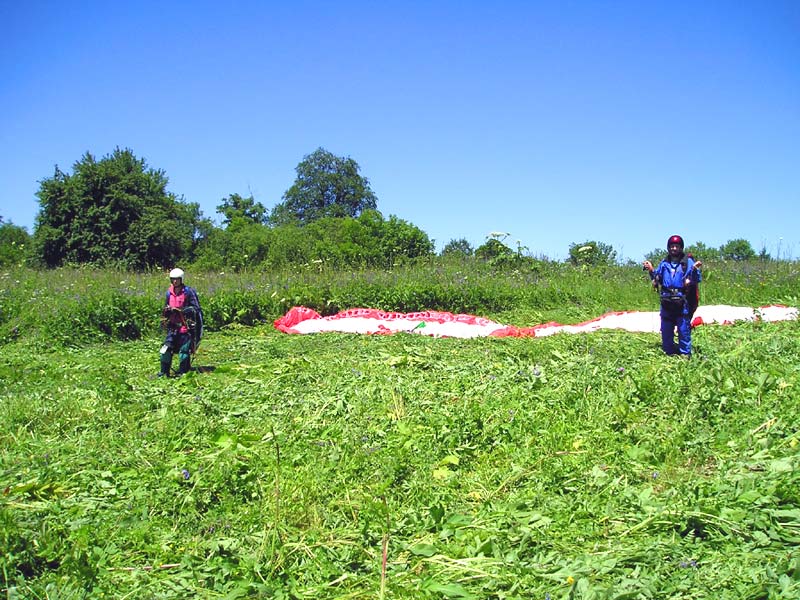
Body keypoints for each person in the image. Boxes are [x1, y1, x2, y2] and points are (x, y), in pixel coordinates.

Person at [643, 235, 702, 356]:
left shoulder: (687, 262)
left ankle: (685, 356)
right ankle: (669, 353)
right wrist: (651, 270)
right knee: (666, 330)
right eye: (672, 246)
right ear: (668, 248)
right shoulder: (665, 263)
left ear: (681, 248)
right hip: (666, 301)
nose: (674, 249)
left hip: (681, 301)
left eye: (677, 246)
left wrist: (695, 270)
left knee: (683, 330)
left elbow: (696, 279)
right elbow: (657, 278)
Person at [159, 268, 203, 377]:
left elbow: (196, 309)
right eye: (172, 279)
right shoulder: (169, 293)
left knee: (184, 352)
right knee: (165, 350)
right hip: (172, 328)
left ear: (181, 279)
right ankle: (164, 373)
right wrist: (168, 311)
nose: (174, 282)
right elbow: (165, 308)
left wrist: (182, 311)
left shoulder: (189, 292)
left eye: (177, 279)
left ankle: (184, 372)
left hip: (185, 328)